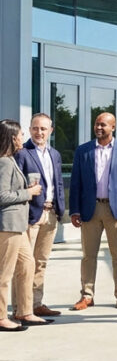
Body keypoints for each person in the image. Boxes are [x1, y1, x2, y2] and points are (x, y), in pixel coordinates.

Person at [68, 112, 117, 311]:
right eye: (96, 125)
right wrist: (74, 210)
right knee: (88, 255)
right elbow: (76, 183)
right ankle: (87, 295)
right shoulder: (83, 151)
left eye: (103, 125)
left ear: (113, 127)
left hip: (116, 210)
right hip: (90, 210)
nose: (99, 128)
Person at [14, 113, 65, 317]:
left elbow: (58, 183)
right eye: (35, 128)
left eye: (44, 129)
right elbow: (15, 184)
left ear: (50, 131)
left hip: (50, 213)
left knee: (41, 261)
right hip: (30, 214)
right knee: (24, 264)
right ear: (30, 129)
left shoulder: (55, 154)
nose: (39, 132)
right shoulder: (22, 153)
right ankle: (20, 308)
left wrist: (60, 209)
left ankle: (36, 303)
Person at [0, 119, 46, 331]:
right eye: (19, 135)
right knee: (4, 272)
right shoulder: (4, 162)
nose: (22, 138)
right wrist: (28, 193)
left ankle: (24, 311)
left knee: (27, 265)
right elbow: (2, 195)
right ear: (11, 137)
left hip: (17, 225)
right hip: (8, 225)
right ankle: (1, 317)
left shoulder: (10, 160)